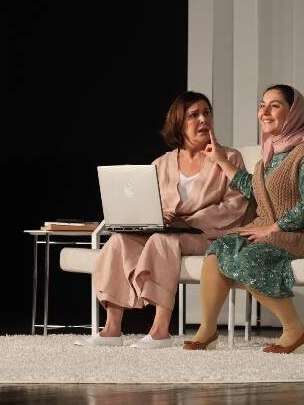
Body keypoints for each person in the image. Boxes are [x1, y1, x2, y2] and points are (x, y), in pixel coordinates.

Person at [76, 91, 249, 348]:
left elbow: (235, 205)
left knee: (162, 241)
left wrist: (188, 220)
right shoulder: (161, 163)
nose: (203, 120)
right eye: (194, 115)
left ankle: (160, 330)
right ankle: (112, 329)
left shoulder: (229, 158)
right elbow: (150, 203)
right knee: (119, 241)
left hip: (208, 235)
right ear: (179, 123)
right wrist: (159, 216)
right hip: (167, 230)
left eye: (207, 113)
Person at [184, 84, 304, 353]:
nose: (264, 112)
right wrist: (221, 160)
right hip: (271, 231)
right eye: (262, 105)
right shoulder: (271, 151)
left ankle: (295, 330)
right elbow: (257, 190)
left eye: (274, 106)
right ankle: (207, 329)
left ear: (294, 112)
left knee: (248, 259)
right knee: (218, 250)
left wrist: (274, 227)